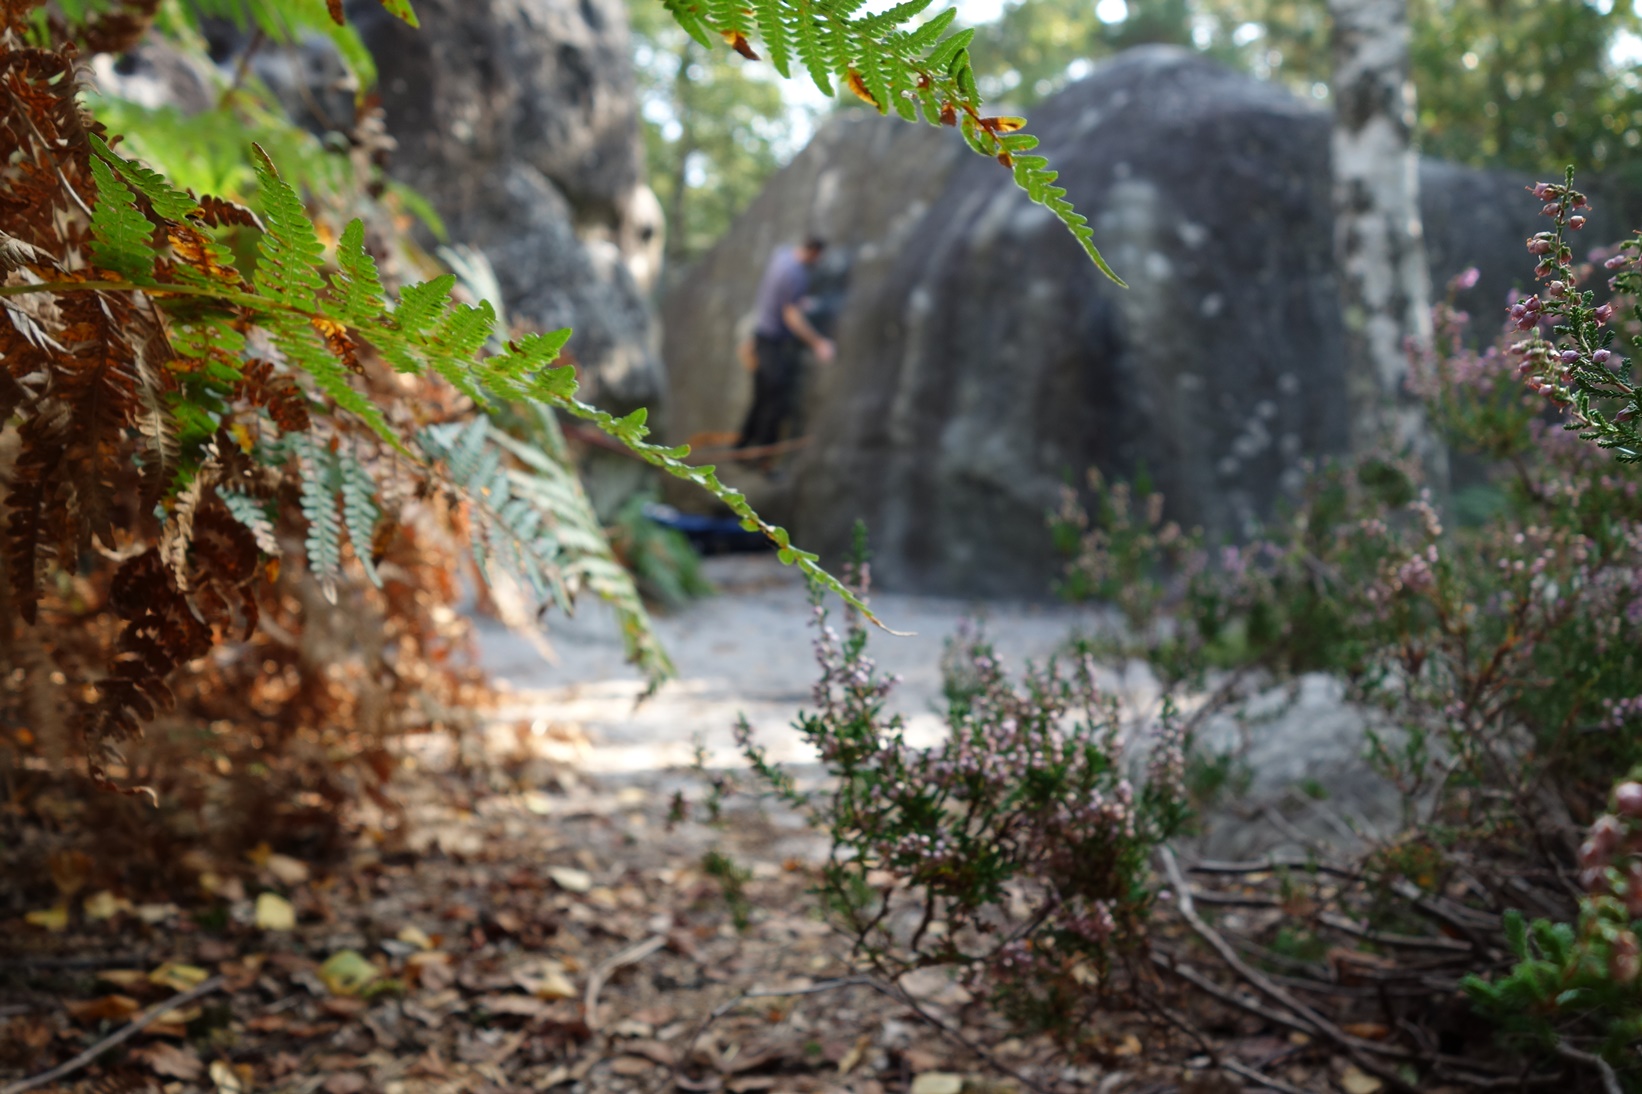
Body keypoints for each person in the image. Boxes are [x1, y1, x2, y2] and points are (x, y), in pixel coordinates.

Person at [735, 238, 834, 453]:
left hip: (760, 334)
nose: (817, 264)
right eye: (818, 258)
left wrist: (795, 302)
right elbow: (791, 316)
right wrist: (819, 344)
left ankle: (742, 444)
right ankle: (762, 456)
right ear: (813, 252)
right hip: (772, 342)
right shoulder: (796, 274)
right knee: (776, 399)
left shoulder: (781, 255)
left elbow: (779, 295)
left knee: (761, 395)